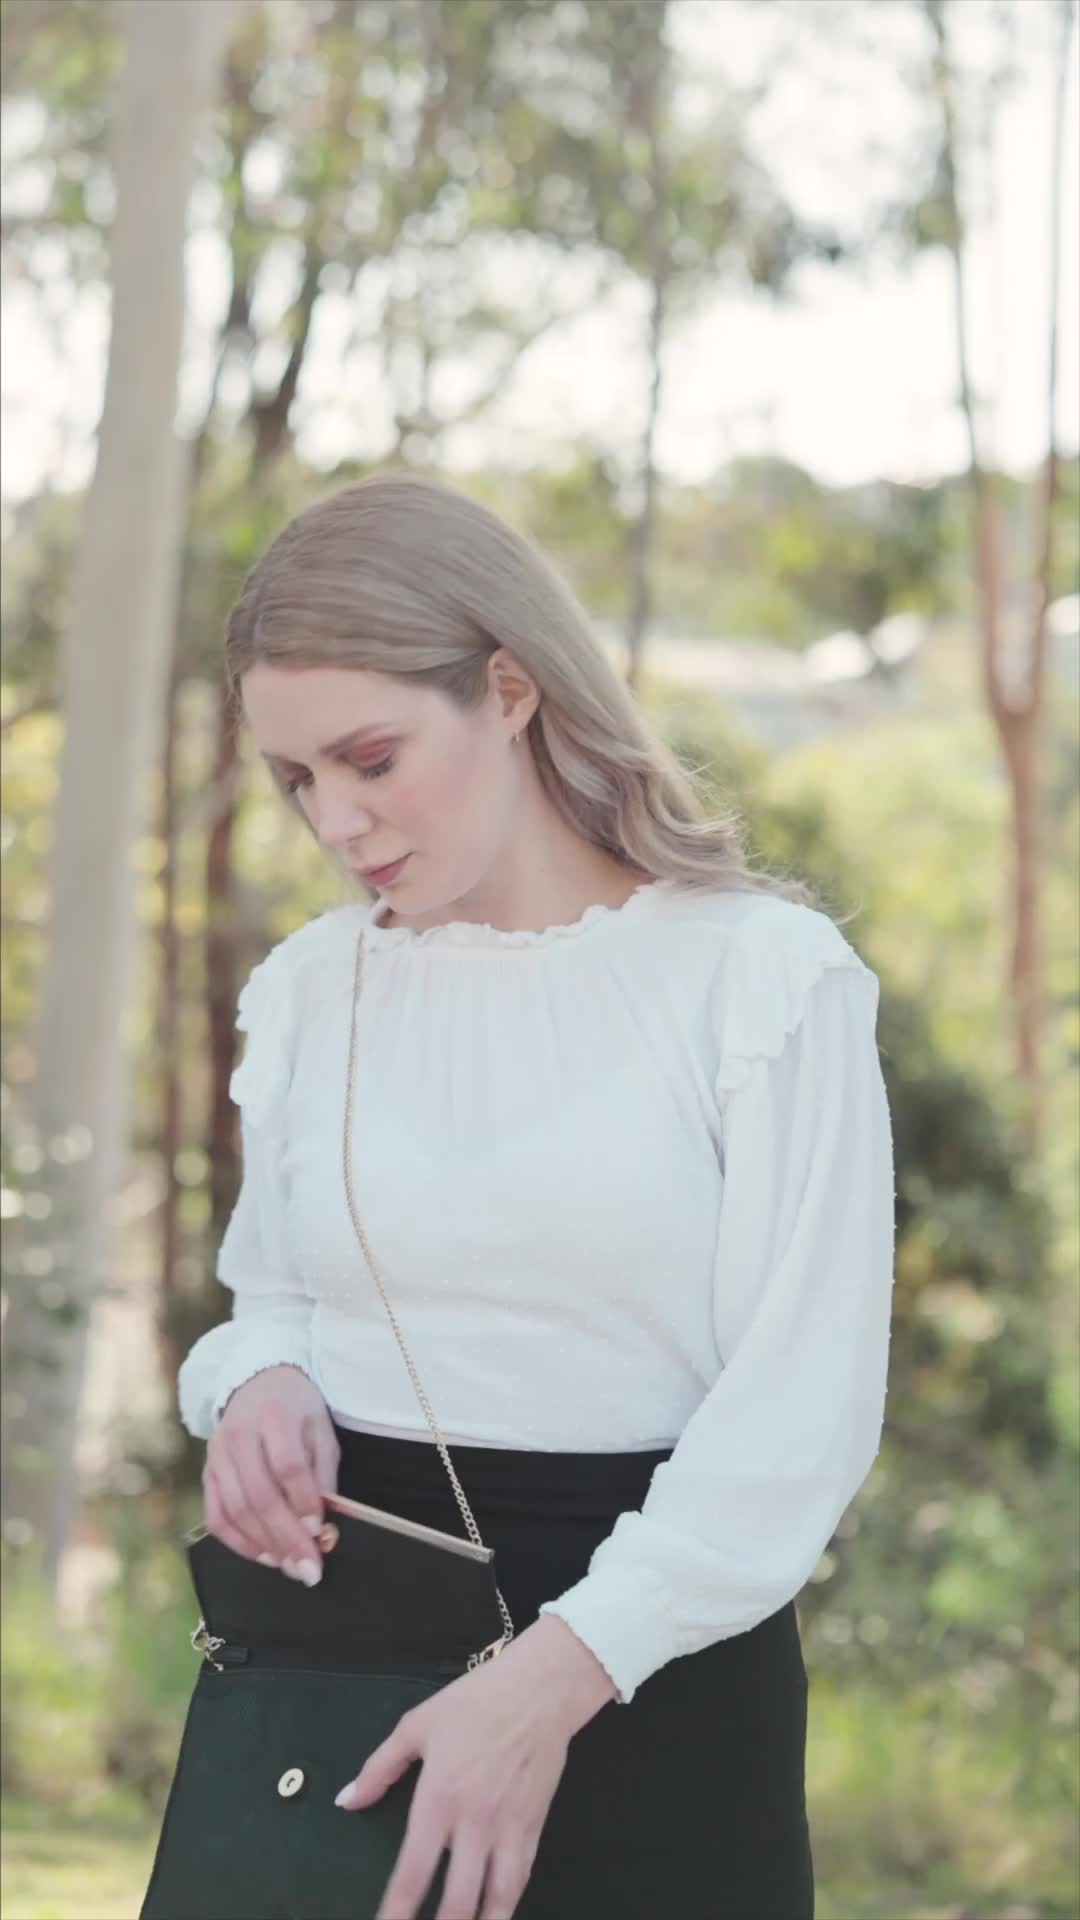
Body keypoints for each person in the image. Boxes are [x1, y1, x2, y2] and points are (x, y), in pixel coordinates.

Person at [177, 472, 895, 1920]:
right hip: (340, 1670)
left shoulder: (757, 982)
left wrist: (546, 1685)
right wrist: (257, 1382)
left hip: (652, 1671)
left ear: (509, 689)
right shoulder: (315, 988)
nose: (337, 820)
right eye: (299, 778)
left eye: (371, 757)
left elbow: (798, 1416)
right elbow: (277, 1295)